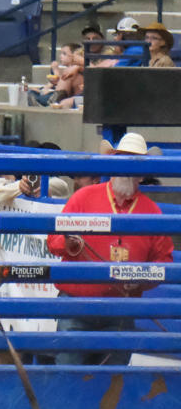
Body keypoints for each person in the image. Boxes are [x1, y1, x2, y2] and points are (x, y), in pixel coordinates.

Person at [47, 132, 173, 366]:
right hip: (79, 306)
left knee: (110, 384)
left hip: (120, 310)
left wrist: (141, 279)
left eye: (134, 163)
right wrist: (68, 243)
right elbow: (53, 241)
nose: (126, 168)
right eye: (122, 159)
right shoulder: (83, 198)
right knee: (69, 376)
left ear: (143, 175)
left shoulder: (152, 211)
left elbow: (162, 262)